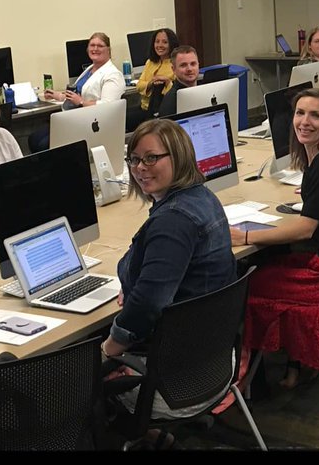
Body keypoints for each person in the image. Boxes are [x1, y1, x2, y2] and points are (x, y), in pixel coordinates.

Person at [100, 119, 237, 425]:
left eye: (151, 158)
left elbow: (148, 305)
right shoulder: (202, 198)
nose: (140, 168)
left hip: (174, 382)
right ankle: (151, 437)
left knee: (63, 377)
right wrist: (136, 281)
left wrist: (108, 350)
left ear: (179, 156)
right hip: (212, 363)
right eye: (134, 159)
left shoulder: (173, 222)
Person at [228, 88, 319, 388]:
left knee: (245, 284)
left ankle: (250, 381)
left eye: (315, 115)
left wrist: (246, 236)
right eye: (300, 113)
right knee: (266, 263)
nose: (304, 121)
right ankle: (293, 362)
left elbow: (305, 230)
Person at [32, 32, 127, 152]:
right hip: (73, 119)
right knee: (34, 139)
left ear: (108, 50)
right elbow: (78, 95)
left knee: (43, 145)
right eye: (92, 45)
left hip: (91, 124)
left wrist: (81, 102)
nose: (95, 49)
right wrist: (59, 96)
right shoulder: (90, 69)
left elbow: (108, 106)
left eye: (100, 46)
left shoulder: (113, 75)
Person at [134, 28, 178, 111]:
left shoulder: (176, 64)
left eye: (165, 42)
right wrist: (151, 83)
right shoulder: (150, 62)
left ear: (172, 44)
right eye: (157, 42)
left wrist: (167, 81)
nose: (160, 45)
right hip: (144, 107)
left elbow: (175, 93)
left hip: (162, 109)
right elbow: (139, 86)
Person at [157, 45, 201, 117]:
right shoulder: (170, 102)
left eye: (193, 64)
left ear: (198, 65)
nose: (189, 69)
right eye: (183, 65)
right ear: (173, 69)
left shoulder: (205, 90)